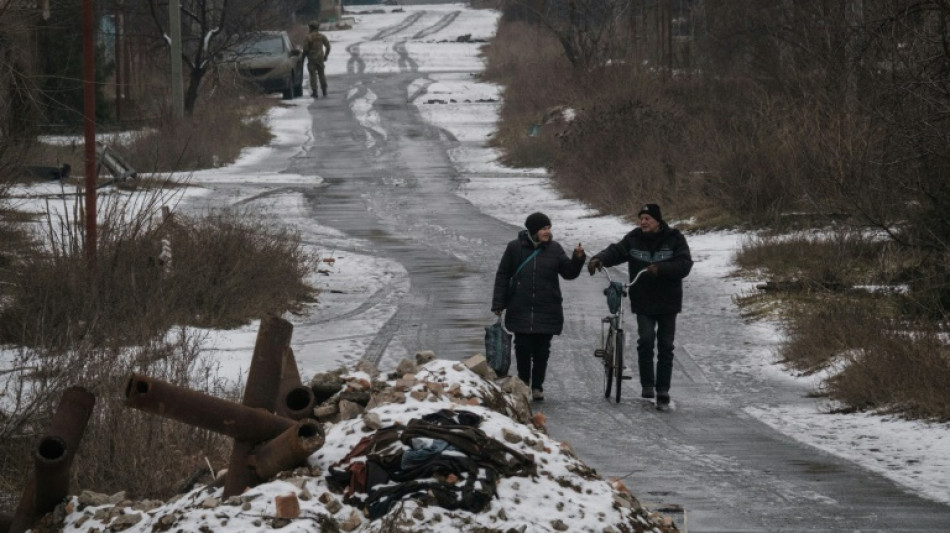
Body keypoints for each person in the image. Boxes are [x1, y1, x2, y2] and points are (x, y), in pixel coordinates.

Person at [587, 203, 692, 410]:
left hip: (668, 301)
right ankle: (647, 385)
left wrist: (661, 269)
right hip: (643, 299)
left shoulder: (675, 239)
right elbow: (616, 251)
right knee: (645, 340)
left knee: (665, 345)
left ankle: (663, 390)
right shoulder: (634, 238)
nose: (643, 222)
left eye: (647, 219)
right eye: (641, 218)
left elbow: (684, 264)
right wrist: (599, 259)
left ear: (658, 221)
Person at [491, 212, 586, 402]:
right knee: (523, 348)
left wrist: (577, 258)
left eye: (549, 228)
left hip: (547, 307)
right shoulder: (514, 248)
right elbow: (502, 275)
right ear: (533, 230)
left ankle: (537, 386)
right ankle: (524, 383)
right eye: (544, 228)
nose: (547, 232)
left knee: (542, 350)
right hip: (520, 306)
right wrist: (498, 303)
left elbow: (569, 273)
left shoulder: (555, 249)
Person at [302, 21, 331, 97]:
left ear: (310, 28)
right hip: (320, 58)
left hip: (311, 59)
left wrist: (302, 58)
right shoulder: (322, 36)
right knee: (322, 74)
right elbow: (328, 46)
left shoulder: (308, 37)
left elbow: (305, 49)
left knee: (313, 75)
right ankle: (324, 90)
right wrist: (325, 56)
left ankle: (315, 92)